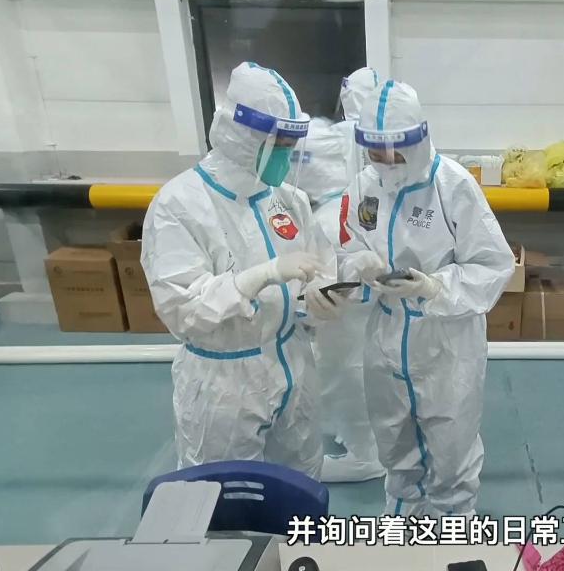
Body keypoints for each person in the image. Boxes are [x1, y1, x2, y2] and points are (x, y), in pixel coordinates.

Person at [141, 62, 342, 478]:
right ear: (244, 137)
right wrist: (260, 276)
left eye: (291, 144)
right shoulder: (179, 204)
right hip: (225, 380)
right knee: (226, 492)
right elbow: (181, 308)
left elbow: (319, 262)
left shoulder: (287, 198)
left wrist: (321, 294)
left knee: (301, 481)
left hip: (292, 361)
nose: (286, 154)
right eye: (279, 144)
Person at [339, 80, 514, 515]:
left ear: (417, 140)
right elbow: (346, 246)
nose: (385, 162)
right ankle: (402, 528)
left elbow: (494, 265)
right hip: (385, 334)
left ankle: (451, 532)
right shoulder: (364, 186)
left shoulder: (452, 186)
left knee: (450, 450)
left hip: (445, 341)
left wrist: (434, 287)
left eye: (394, 152)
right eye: (375, 152)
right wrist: (358, 265)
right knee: (394, 444)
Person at [298, 67, 387, 482]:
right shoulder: (347, 140)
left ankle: (365, 453)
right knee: (344, 360)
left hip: (346, 243)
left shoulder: (330, 139)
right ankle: (355, 434)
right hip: (355, 243)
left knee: (347, 363)